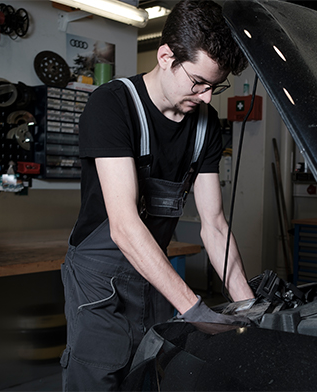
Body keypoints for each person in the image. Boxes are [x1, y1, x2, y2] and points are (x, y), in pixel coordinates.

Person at [60, 0, 255, 390]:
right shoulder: (113, 105)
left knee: (153, 374)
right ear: (166, 56)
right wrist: (195, 309)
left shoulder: (206, 127)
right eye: (199, 82)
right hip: (101, 286)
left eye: (215, 87)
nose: (206, 98)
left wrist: (252, 311)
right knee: (99, 377)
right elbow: (124, 225)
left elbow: (214, 225)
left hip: (154, 279)